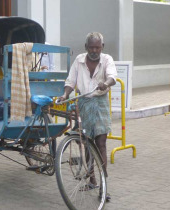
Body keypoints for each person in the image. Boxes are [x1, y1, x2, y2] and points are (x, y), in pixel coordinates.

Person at [58, 32, 117, 201]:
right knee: (87, 142)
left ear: (102, 47)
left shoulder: (107, 59)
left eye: (97, 47)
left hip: (100, 103)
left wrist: (104, 83)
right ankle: (92, 180)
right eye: (91, 47)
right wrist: (64, 95)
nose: (94, 50)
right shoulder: (79, 60)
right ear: (86, 47)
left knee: (101, 143)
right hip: (84, 103)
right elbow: (70, 81)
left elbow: (113, 77)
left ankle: (103, 187)